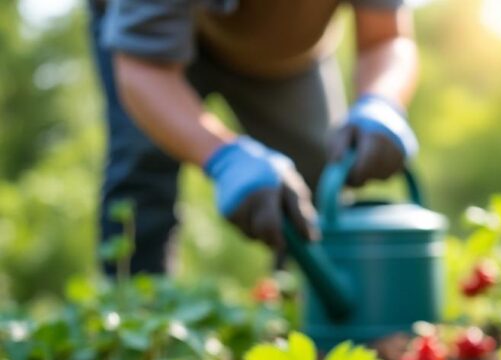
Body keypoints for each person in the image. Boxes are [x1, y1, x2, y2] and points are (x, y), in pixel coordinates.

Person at [88, 0, 419, 273]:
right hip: (148, 45)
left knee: (317, 174)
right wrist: (223, 158)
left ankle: (303, 313)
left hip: (283, 52)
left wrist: (381, 101)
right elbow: (144, 71)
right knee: (141, 164)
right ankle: (137, 319)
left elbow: (385, 38)